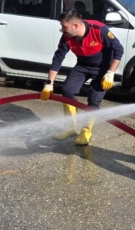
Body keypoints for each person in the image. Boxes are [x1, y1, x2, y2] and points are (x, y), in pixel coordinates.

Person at [40, 9, 125, 145]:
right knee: (67, 91)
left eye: (64, 26)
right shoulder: (68, 36)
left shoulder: (99, 29)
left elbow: (119, 50)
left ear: (76, 26)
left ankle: (86, 132)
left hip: (102, 68)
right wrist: (49, 83)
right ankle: (70, 128)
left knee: (94, 99)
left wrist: (110, 73)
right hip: (82, 65)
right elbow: (58, 58)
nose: (62, 30)